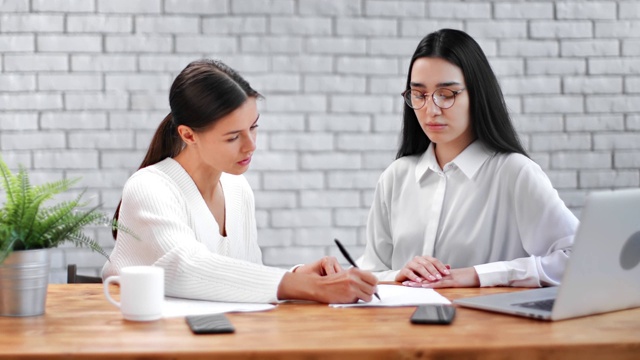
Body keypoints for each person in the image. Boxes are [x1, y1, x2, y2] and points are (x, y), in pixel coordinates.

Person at [103, 59, 377, 304]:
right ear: (188, 135)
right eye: (233, 137)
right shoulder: (149, 187)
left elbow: (243, 278)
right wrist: (306, 287)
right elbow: (185, 267)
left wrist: (297, 276)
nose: (251, 146)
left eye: (254, 127)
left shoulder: (237, 189)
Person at [357, 29, 579, 289]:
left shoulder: (514, 172)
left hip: (486, 327)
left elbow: (577, 259)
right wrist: (396, 275)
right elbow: (372, 271)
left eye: (447, 94)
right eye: (419, 95)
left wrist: (477, 275)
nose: (431, 110)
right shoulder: (396, 177)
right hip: (404, 327)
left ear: (477, 94)